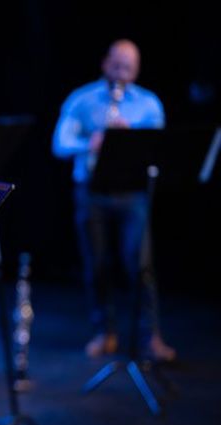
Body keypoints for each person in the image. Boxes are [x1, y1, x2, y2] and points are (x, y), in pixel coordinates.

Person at [52, 39, 176, 362]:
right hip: (91, 191)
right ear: (105, 63)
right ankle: (104, 332)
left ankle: (151, 337)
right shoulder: (82, 99)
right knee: (97, 265)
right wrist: (90, 142)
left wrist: (130, 137)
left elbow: (158, 149)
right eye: (117, 65)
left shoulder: (149, 104)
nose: (122, 73)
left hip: (132, 193)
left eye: (129, 68)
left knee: (140, 265)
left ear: (137, 70)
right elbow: (60, 143)